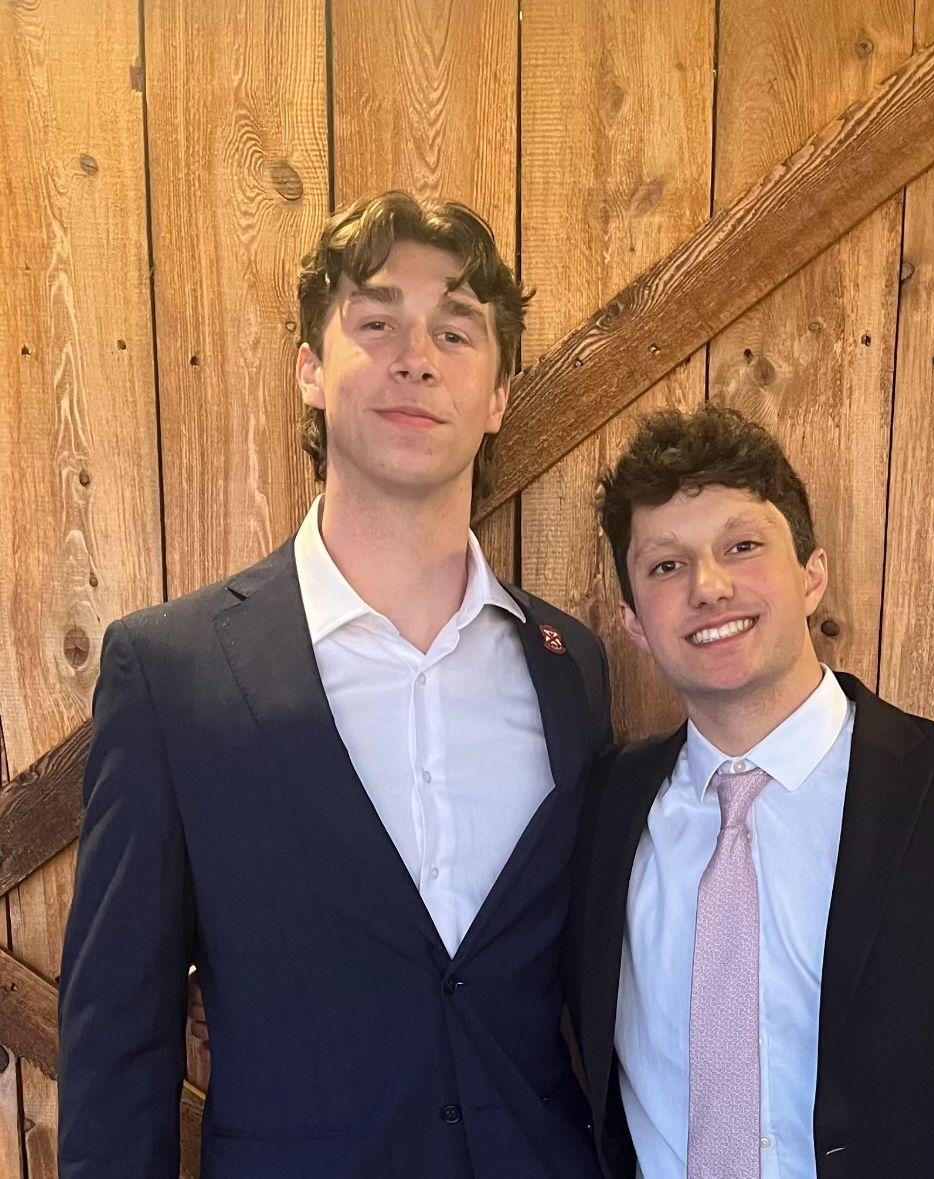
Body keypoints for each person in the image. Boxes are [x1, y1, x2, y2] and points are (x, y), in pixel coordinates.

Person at [58, 192, 610, 1178]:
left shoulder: (570, 663)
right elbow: (119, 1043)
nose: (417, 357)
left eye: (455, 331)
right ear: (310, 369)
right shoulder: (173, 671)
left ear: (498, 395)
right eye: (377, 322)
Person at [562, 405, 934, 1179]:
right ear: (631, 620)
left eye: (742, 546)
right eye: (665, 565)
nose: (709, 586)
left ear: (811, 575)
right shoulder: (601, 810)